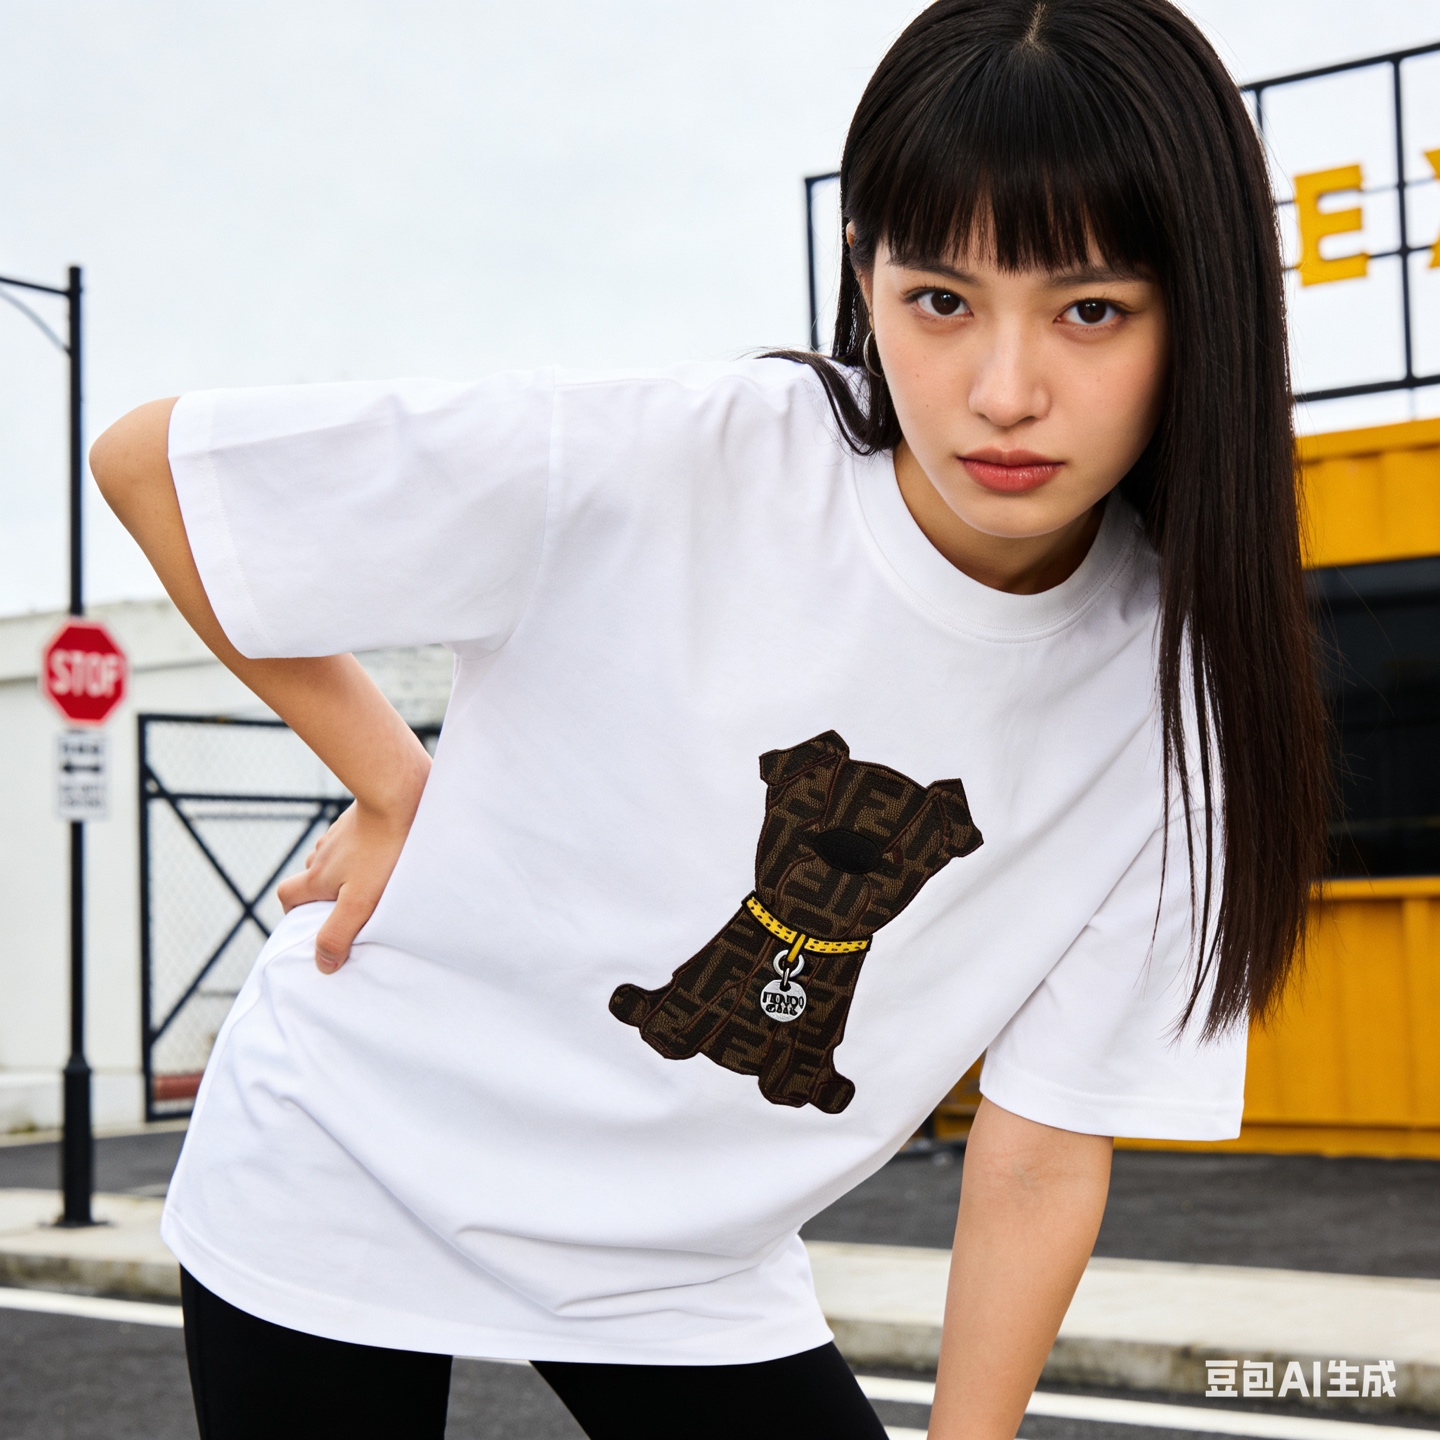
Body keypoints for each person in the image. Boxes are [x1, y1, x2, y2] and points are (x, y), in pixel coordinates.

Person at [92, 1, 1327, 1436]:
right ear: (864, 274)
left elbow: (1042, 1149)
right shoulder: (677, 455)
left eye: (1090, 310)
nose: (1006, 393)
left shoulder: (1179, 704)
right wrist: (394, 784)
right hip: (350, 1154)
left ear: (1202, 309)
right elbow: (159, 468)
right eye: (941, 300)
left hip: (681, 1270)